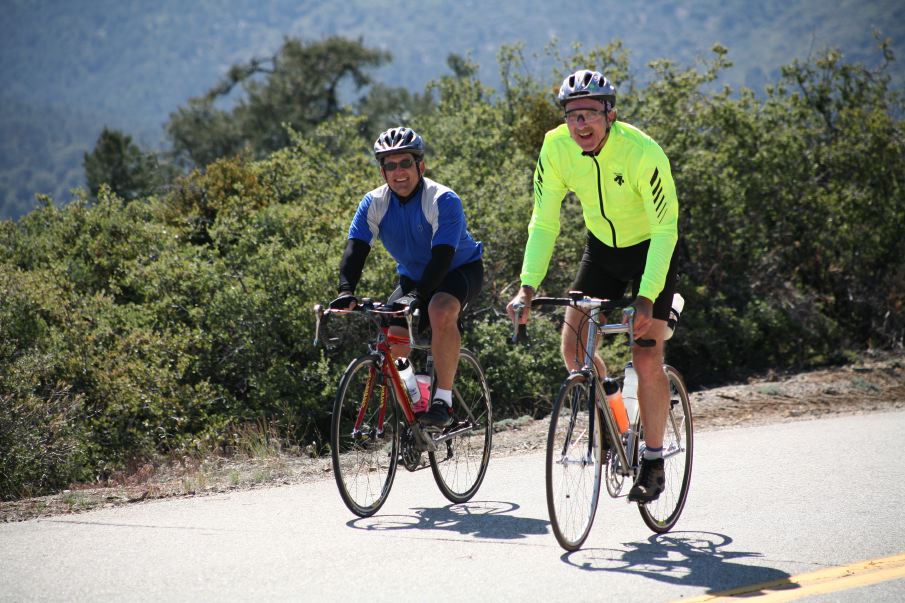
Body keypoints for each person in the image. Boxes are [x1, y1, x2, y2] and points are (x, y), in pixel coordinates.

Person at [506, 69, 680, 503]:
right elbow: (544, 221)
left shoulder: (643, 152)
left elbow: (665, 230)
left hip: (651, 250)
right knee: (573, 348)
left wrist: (645, 297)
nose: (580, 124)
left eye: (589, 114)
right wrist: (527, 287)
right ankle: (614, 418)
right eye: (572, 115)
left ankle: (654, 461)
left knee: (646, 354)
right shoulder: (555, 147)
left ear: (611, 114)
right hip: (601, 249)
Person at [330, 126, 484, 429]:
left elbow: (442, 256)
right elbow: (356, 249)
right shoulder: (373, 202)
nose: (398, 171)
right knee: (393, 341)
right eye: (390, 165)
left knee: (439, 310)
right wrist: (346, 290)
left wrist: (419, 297)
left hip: (457, 270)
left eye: (405, 163)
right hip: (413, 278)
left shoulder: (442, 199)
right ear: (382, 171)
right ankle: (416, 405)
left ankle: (443, 400)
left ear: (420, 166)